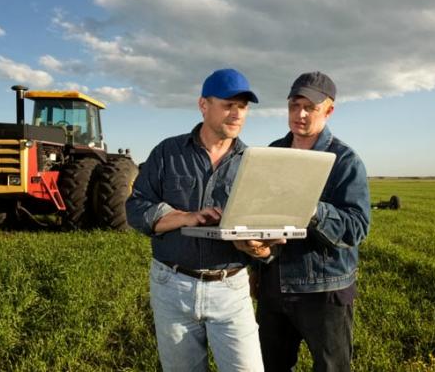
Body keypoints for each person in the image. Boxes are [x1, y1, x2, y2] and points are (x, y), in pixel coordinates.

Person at [126, 68, 280, 371]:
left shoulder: (253, 165)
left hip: (231, 288)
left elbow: (264, 235)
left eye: (243, 106)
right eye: (228, 104)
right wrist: (186, 217)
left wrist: (259, 249)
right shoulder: (168, 153)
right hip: (172, 284)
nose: (237, 113)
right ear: (203, 105)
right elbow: (136, 208)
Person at [242, 71, 371, 372]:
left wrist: (311, 209)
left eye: (310, 107)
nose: (299, 114)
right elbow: (254, 215)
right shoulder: (271, 154)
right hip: (273, 288)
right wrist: (255, 266)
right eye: (293, 105)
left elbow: (357, 227)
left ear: (329, 110)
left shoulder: (345, 162)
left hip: (323, 292)